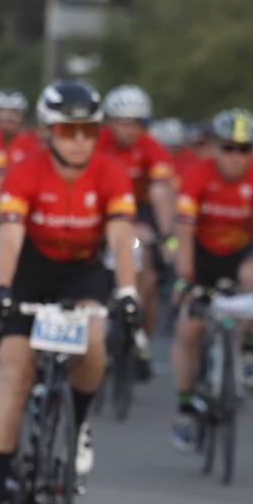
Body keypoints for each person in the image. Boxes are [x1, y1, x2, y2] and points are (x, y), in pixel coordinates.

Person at [0, 82, 137, 504]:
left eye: (89, 131)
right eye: (69, 130)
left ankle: (80, 421)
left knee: (94, 343)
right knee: (15, 373)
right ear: (49, 131)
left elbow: (121, 235)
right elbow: (9, 237)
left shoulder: (110, 173)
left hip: (81, 272)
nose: (79, 141)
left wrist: (128, 291)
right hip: (30, 270)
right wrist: (3, 288)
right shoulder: (24, 172)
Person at [171, 110, 253, 449]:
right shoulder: (197, 175)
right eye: (228, 148)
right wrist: (186, 279)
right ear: (215, 149)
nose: (235, 157)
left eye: (244, 149)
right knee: (190, 328)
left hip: (239, 255)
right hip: (202, 256)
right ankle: (186, 406)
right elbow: (185, 234)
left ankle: (247, 351)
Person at [97, 85, 176, 379]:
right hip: (102, 207)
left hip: (139, 212)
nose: (127, 130)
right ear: (109, 122)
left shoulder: (152, 148)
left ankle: (140, 332)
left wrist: (167, 234)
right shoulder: (98, 142)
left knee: (147, 271)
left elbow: (160, 193)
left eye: (134, 123)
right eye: (121, 122)